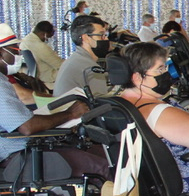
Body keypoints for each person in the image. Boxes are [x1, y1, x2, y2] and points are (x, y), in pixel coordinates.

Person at [115, 42, 189, 192]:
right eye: (160, 69)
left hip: (152, 184)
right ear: (138, 78)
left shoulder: (120, 105)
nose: (167, 73)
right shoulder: (158, 112)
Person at [1, 23, 109, 180]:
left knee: (108, 154)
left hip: (28, 147)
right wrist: (70, 114)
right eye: (15, 50)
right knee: (104, 166)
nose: (19, 54)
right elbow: (27, 127)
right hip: (18, 155)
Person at [53, 15, 111, 97]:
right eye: (101, 35)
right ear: (86, 38)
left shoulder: (76, 59)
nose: (106, 39)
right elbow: (101, 101)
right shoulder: (90, 68)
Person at [20, 21, 63, 87]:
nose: (47, 40)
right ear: (44, 34)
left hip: (37, 77)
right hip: (48, 78)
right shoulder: (40, 46)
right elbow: (60, 65)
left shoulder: (24, 41)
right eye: (48, 37)